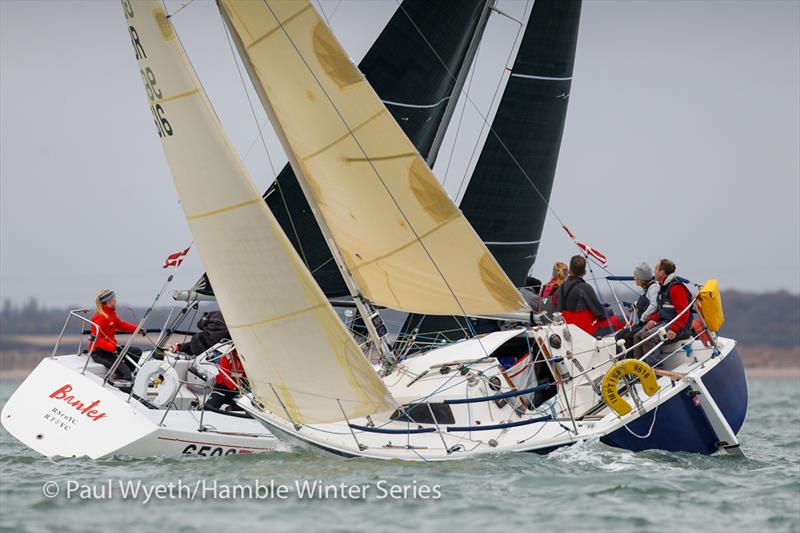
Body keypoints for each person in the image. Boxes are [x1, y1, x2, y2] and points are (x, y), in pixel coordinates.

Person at [632, 259, 693, 363]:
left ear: (662, 273)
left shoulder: (675, 288)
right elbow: (663, 311)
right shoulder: (663, 287)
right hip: (665, 323)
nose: (653, 272)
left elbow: (684, 312)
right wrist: (650, 320)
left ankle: (655, 370)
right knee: (638, 335)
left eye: (656, 269)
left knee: (648, 337)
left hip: (678, 327)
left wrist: (674, 329)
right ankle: (639, 369)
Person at [556, 255, 622, 336]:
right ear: (584, 272)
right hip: (586, 331)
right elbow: (600, 315)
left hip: (567, 330)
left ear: (569, 270)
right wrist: (610, 311)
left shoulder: (560, 288)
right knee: (622, 319)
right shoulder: (585, 288)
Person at [88, 289, 144, 384]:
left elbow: (120, 324)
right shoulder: (100, 317)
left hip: (112, 348)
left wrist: (138, 329)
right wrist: (111, 347)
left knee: (137, 352)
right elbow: (96, 339)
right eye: (114, 299)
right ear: (110, 301)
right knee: (126, 374)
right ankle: (124, 378)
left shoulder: (111, 313)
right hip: (99, 352)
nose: (116, 301)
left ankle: (125, 373)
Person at [616, 261, 659, 350]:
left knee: (628, 336)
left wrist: (643, 318)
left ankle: (630, 360)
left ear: (641, 278)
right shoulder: (647, 288)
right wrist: (635, 305)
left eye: (636, 277)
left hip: (648, 323)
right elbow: (644, 300)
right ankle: (621, 359)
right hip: (643, 323)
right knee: (619, 335)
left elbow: (654, 305)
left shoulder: (653, 287)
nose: (635, 278)